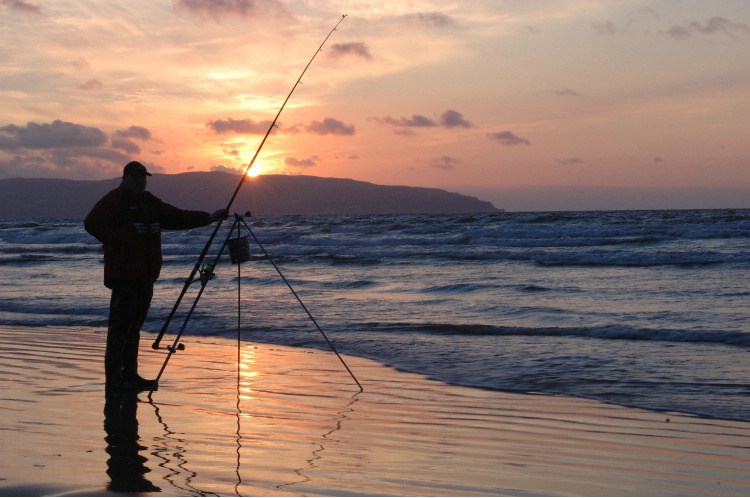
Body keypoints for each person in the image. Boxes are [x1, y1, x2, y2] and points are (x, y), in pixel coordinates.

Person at [85, 161, 227, 392]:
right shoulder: (116, 199)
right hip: (124, 274)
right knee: (120, 328)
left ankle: (130, 375)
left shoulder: (149, 202)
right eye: (137, 177)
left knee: (134, 328)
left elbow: (175, 216)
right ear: (126, 178)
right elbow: (91, 223)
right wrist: (116, 241)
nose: (142, 181)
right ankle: (114, 379)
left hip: (145, 275)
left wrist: (208, 218)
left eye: (144, 177)